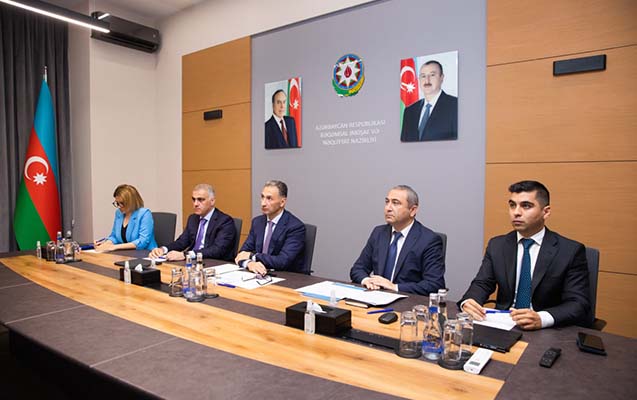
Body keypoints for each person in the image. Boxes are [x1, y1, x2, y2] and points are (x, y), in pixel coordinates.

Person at [459, 180, 591, 330]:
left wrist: (542, 318)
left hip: (545, 330)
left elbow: (578, 303)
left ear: (546, 212)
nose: (516, 212)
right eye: (512, 205)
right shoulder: (497, 245)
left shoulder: (570, 251)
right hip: (503, 324)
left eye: (526, 206)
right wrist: (469, 302)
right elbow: (482, 283)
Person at [350, 185, 445, 295]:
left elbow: (434, 284)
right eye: (387, 202)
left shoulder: (429, 240)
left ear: (412, 210)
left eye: (395, 203)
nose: (388, 208)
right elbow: (358, 269)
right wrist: (367, 280)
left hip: (407, 302)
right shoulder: (379, 233)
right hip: (376, 298)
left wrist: (394, 287)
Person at [148, 184, 236, 261]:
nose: (195, 204)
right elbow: (182, 242)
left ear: (212, 201)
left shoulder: (225, 221)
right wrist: (163, 249)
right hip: (192, 262)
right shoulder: (193, 219)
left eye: (200, 200)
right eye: (194, 199)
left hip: (214, 263)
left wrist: (186, 255)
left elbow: (217, 250)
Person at [235, 180, 306, 274]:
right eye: (262, 197)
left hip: (286, 276)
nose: (263, 203)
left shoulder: (295, 227)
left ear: (282, 202)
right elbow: (242, 253)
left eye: (269, 198)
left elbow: (282, 261)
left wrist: (253, 256)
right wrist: (249, 263)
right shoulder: (257, 222)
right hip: (259, 275)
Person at [400, 60, 457, 142]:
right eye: (423, 76)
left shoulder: (455, 105)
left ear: (441, 78)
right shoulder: (409, 111)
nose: (427, 80)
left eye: (432, 75)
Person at [95, 184, 157, 252]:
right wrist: (106, 244)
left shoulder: (144, 214)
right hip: (126, 254)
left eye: (122, 203)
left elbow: (142, 242)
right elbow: (114, 236)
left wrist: (114, 247)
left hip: (146, 253)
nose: (119, 206)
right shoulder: (119, 213)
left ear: (132, 202)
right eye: (117, 203)